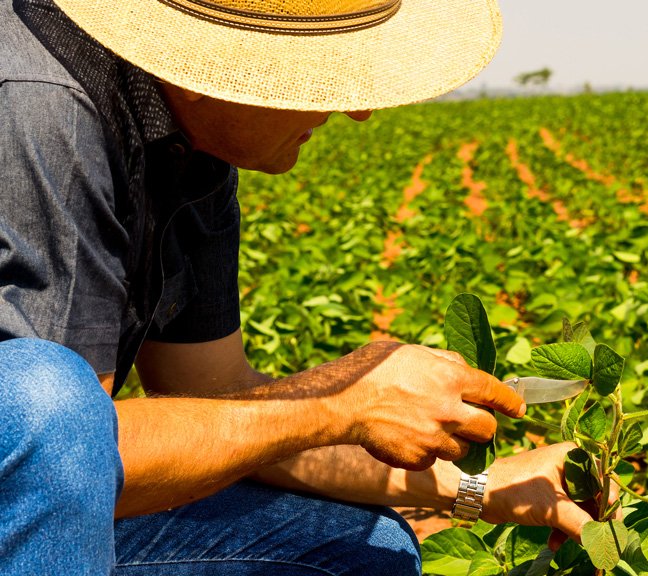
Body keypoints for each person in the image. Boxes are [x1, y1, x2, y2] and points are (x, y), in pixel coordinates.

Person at [0, 0, 599, 573]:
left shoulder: (196, 142)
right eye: (321, 72)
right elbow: (58, 461)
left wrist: (479, 485)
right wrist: (340, 402)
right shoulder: (46, 114)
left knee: (358, 553)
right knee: (50, 394)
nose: (358, 111)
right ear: (202, 67)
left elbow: (219, 398)